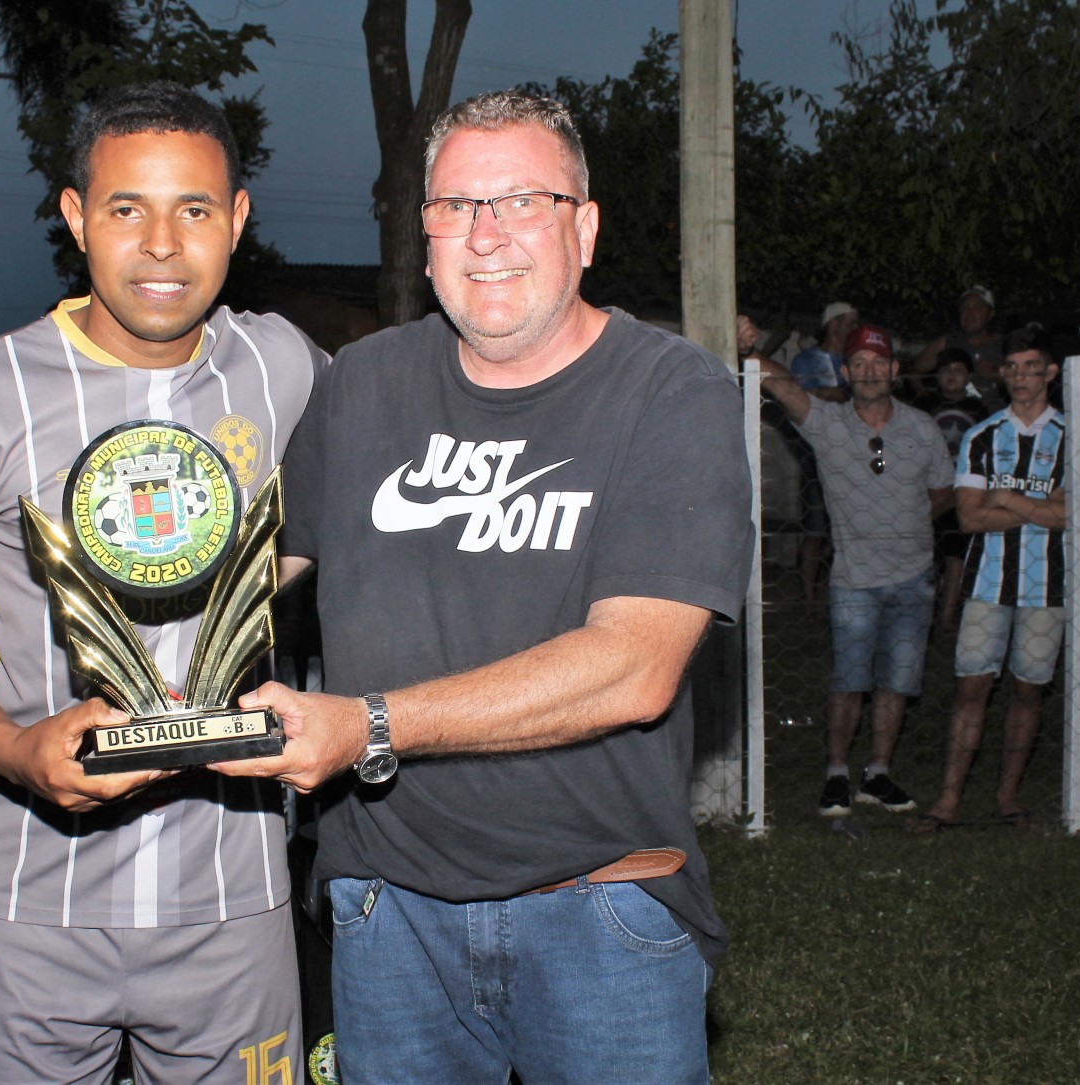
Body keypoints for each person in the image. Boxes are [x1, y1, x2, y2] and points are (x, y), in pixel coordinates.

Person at [211, 90, 753, 1085]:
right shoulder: (364, 382)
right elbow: (253, 571)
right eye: (455, 206)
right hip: (387, 912)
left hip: (599, 906)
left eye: (522, 202)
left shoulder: (670, 391)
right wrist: (57, 603)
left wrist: (368, 726)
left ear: (583, 229)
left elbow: (632, 666)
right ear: (424, 239)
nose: (485, 233)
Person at [0, 82, 322, 1083]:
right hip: (31, 892)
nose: (161, 245)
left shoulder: (283, 364)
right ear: (75, 217)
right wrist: (16, 748)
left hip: (231, 894)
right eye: (126, 208)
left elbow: (335, 517)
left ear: (238, 219)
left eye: (193, 209)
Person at [753, 323, 953, 817]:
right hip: (854, 581)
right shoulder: (828, 424)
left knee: (897, 683)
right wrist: (750, 348)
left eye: (878, 363)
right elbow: (782, 386)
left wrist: (904, 526)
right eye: (859, 363)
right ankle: (837, 774)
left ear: (895, 370)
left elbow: (943, 492)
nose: (869, 372)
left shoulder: (922, 428)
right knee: (849, 681)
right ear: (845, 372)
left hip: (914, 577)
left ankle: (878, 774)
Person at [915, 324, 1067, 831]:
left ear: (1050, 372)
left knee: (1028, 692)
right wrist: (1038, 507)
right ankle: (948, 800)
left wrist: (1005, 498)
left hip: (1049, 584)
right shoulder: (982, 437)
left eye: (1031, 367)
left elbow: (1070, 515)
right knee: (971, 690)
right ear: (1002, 374)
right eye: (1013, 368)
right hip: (985, 583)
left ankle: (1008, 798)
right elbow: (969, 518)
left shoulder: (1072, 438)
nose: (1021, 377)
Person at [756, 302, 859, 602]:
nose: (853, 328)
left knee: (847, 529)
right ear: (832, 323)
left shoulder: (855, 360)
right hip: (816, 455)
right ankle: (809, 599)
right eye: (848, 321)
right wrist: (831, 394)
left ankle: (844, 593)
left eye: (855, 322)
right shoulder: (807, 360)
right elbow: (798, 397)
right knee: (815, 527)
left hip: (852, 457)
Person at [913, 347, 989, 630]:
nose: (951, 376)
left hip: (963, 490)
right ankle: (923, 614)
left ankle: (946, 617)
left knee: (956, 554)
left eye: (958, 370)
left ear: (968, 375)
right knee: (927, 553)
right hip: (929, 489)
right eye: (945, 370)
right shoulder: (926, 404)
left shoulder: (978, 408)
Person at [913, 285, 1005, 411]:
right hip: (953, 417)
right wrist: (925, 396)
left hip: (993, 418)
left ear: (990, 314)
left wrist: (996, 375)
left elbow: (1024, 381)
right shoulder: (948, 342)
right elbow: (913, 371)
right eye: (965, 307)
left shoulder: (1004, 345)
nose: (970, 313)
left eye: (977, 307)